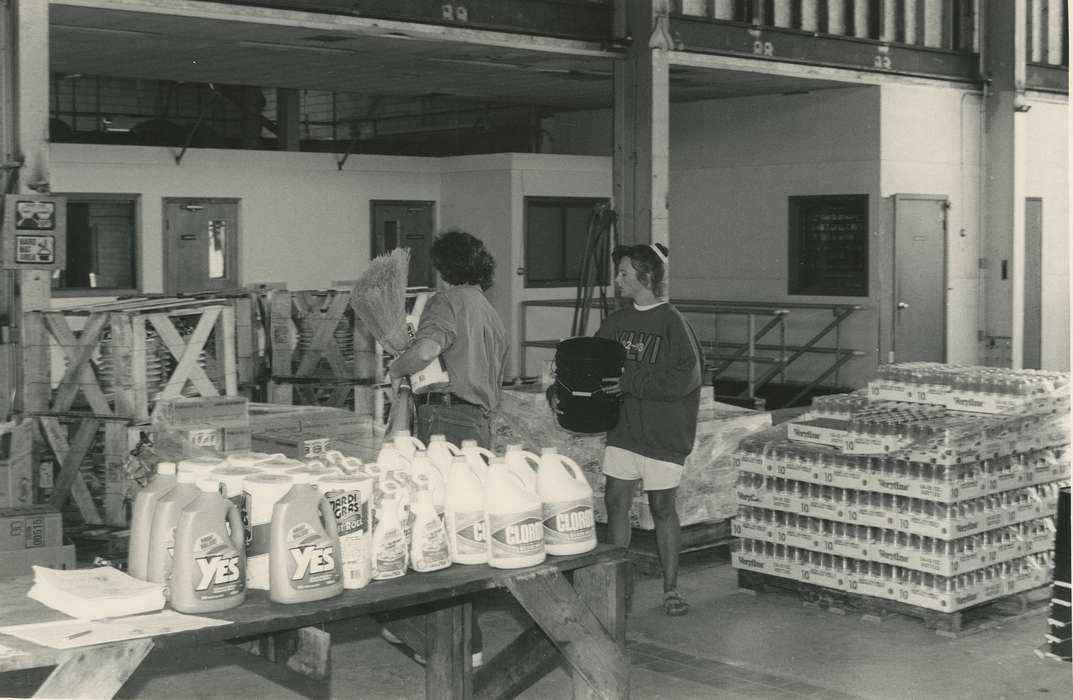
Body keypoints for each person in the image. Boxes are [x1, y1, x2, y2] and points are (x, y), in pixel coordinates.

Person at [382, 229, 509, 667]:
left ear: (443, 267)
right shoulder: (489, 311)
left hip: (445, 420)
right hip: (479, 423)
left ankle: (460, 642)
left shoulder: (446, 302)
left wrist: (398, 366)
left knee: (437, 522)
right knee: (467, 527)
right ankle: (443, 634)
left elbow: (429, 349)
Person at [597, 242, 702, 617]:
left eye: (624, 273)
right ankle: (616, 587)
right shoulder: (615, 323)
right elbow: (591, 363)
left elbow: (685, 379)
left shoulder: (673, 322)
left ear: (646, 276)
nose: (618, 279)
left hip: (663, 434)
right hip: (624, 431)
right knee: (617, 505)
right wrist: (562, 388)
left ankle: (671, 588)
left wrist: (632, 384)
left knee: (661, 508)